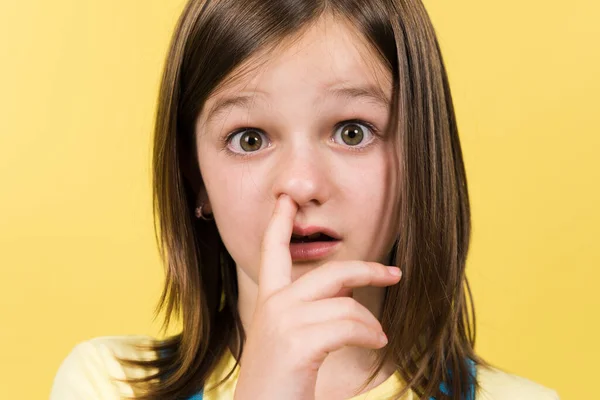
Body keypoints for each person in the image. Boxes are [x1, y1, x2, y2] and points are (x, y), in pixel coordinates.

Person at [50, 0, 560, 399]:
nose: (300, 183)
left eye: (353, 131)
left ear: (419, 158)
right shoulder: (107, 386)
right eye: (249, 138)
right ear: (195, 177)